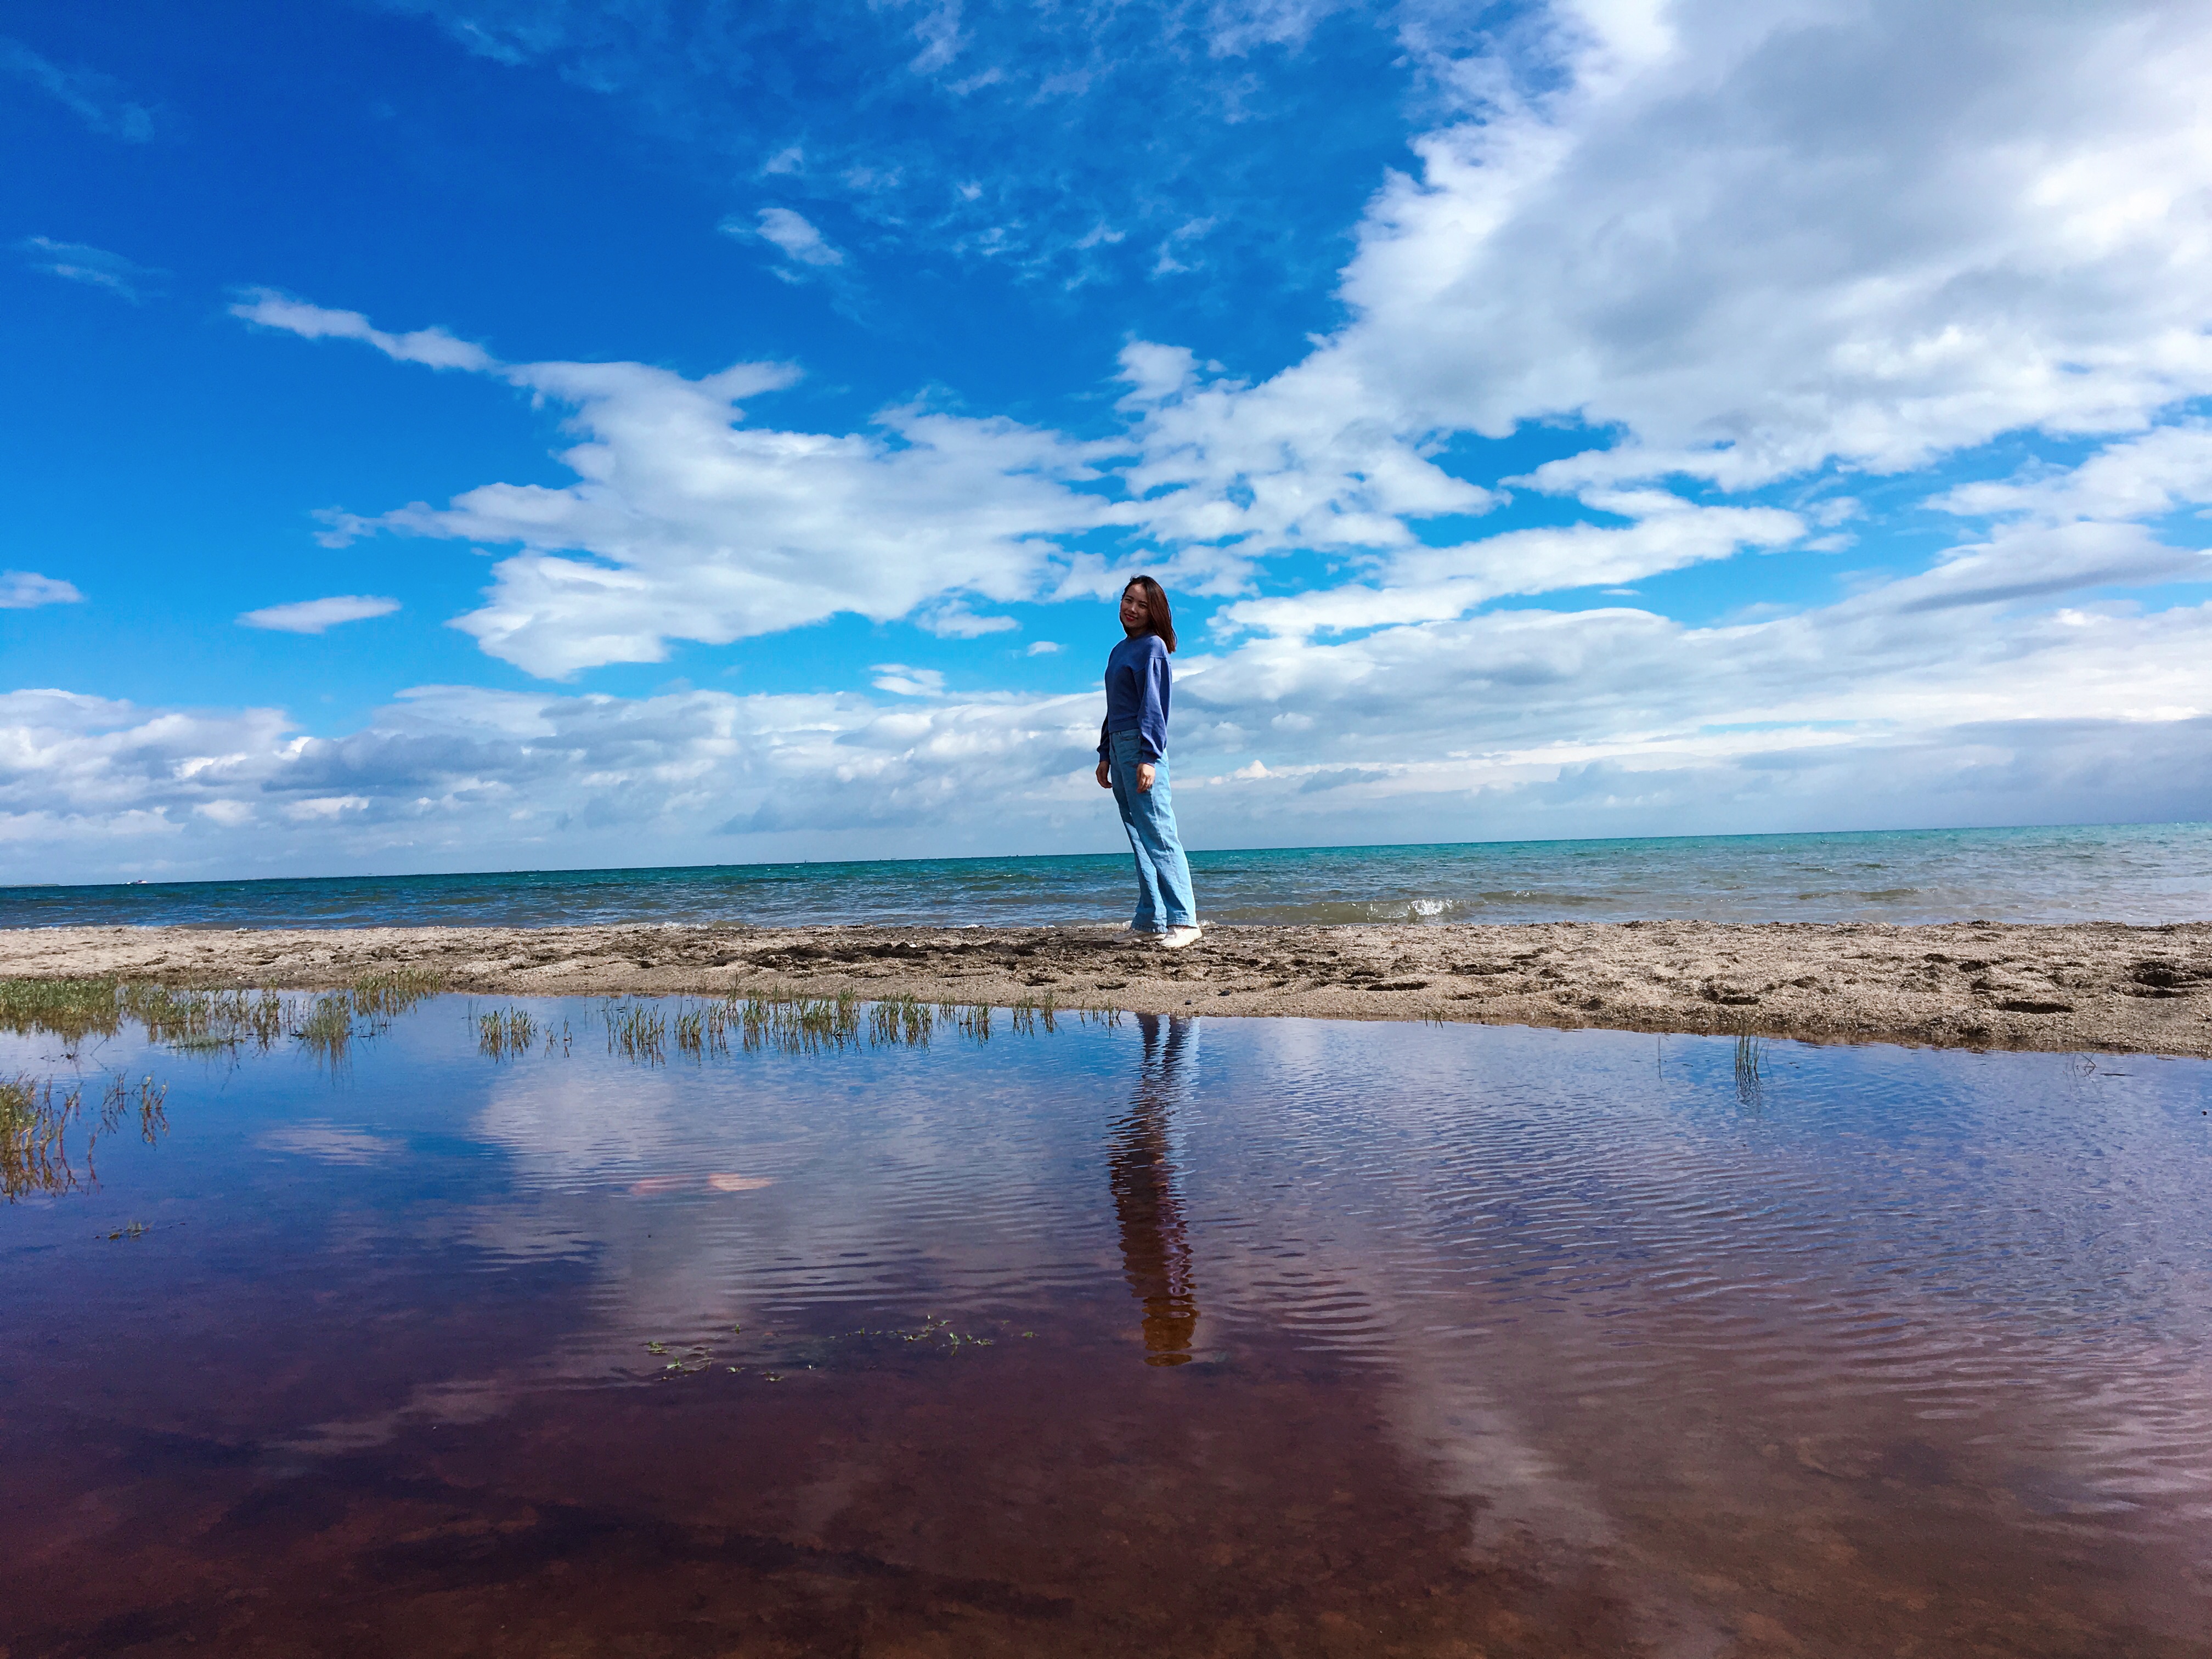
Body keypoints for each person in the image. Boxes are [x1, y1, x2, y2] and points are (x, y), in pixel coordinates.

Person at [1095, 576, 1202, 947]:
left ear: (1153, 611)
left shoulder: (1153, 648)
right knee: (1139, 836)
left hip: (1142, 749)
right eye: (1128, 600)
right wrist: (1104, 754)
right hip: (1119, 746)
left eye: (1141, 604)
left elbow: (1154, 708)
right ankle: (1150, 920)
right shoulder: (1118, 651)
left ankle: (1185, 922)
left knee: (1159, 833)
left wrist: (1150, 757)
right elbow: (1115, 707)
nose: (1132, 609)